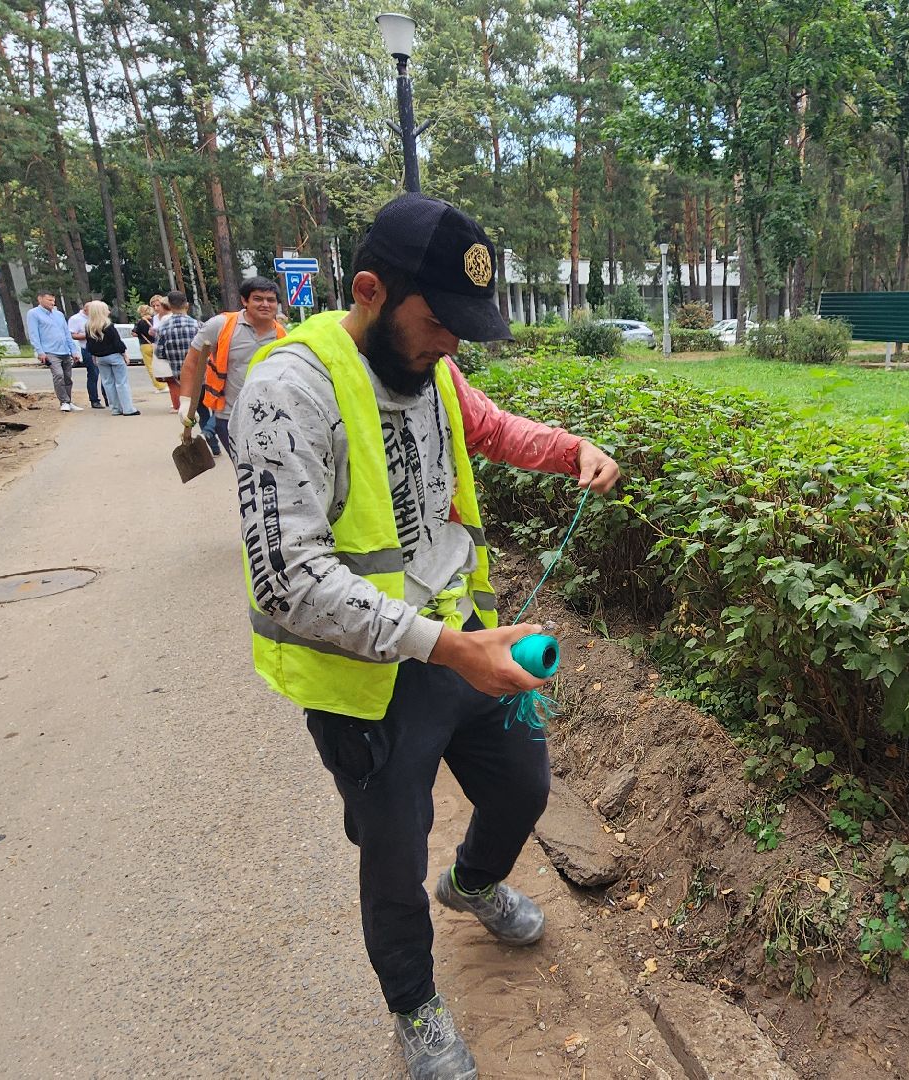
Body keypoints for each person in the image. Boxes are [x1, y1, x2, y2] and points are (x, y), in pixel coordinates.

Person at [231, 194, 620, 1080]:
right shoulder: (287, 391)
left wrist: (572, 449)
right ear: (370, 289)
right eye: (439, 323)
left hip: (461, 643)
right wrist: (452, 650)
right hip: (366, 683)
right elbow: (288, 578)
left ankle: (475, 882)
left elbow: (491, 426)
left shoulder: (433, 368)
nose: (452, 345)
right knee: (393, 857)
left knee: (523, 786)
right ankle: (414, 1007)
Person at [178, 275, 286, 461]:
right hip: (230, 417)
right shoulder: (221, 325)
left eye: (271, 300)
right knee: (246, 471)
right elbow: (192, 363)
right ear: (245, 301)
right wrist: (185, 400)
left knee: (269, 474)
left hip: (268, 418)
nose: (265, 305)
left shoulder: (283, 337)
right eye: (258, 299)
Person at [23, 291, 78, 411]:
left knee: (68, 377)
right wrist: (40, 351)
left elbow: (66, 333)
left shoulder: (58, 314)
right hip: (50, 351)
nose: (52, 303)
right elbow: (34, 334)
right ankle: (64, 401)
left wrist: (73, 350)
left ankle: (68, 400)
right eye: (49, 300)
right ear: (40, 299)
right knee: (58, 375)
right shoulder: (34, 314)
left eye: (53, 300)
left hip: (64, 350)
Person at [81, 301, 138, 416]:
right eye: (106, 309)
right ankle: (128, 408)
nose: (109, 311)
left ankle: (115, 408)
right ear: (102, 311)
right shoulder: (108, 325)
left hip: (100, 358)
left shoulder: (89, 327)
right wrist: (124, 353)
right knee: (121, 382)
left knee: (108, 383)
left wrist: (94, 355)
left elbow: (89, 345)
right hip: (114, 356)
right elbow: (117, 342)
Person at [151, 291, 202, 419]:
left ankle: (195, 431)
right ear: (187, 305)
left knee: (188, 409)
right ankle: (207, 434)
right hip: (200, 374)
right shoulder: (198, 325)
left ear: (170, 306)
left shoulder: (163, 328)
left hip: (179, 376)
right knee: (203, 408)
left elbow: (159, 353)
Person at [67, 303, 103, 409]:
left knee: (106, 375)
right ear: (85, 310)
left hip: (102, 349)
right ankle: (94, 400)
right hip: (88, 349)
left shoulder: (97, 317)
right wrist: (88, 335)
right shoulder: (75, 319)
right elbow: (72, 335)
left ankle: (108, 398)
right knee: (93, 374)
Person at [135, 299, 167, 394]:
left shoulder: (140, 322)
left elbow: (135, 332)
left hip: (145, 345)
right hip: (155, 344)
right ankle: (166, 383)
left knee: (150, 367)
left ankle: (159, 386)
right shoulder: (155, 319)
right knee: (159, 365)